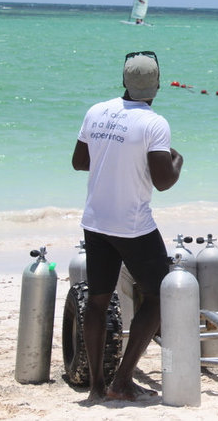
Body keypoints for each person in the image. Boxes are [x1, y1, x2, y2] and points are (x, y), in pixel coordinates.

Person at [71, 51, 183, 401]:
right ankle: (121, 380)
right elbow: (163, 181)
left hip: (96, 220)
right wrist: (178, 159)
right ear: (158, 86)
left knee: (97, 302)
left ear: (123, 81)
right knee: (159, 296)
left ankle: (96, 388)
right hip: (133, 225)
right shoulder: (154, 123)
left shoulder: (96, 111)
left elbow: (79, 161)